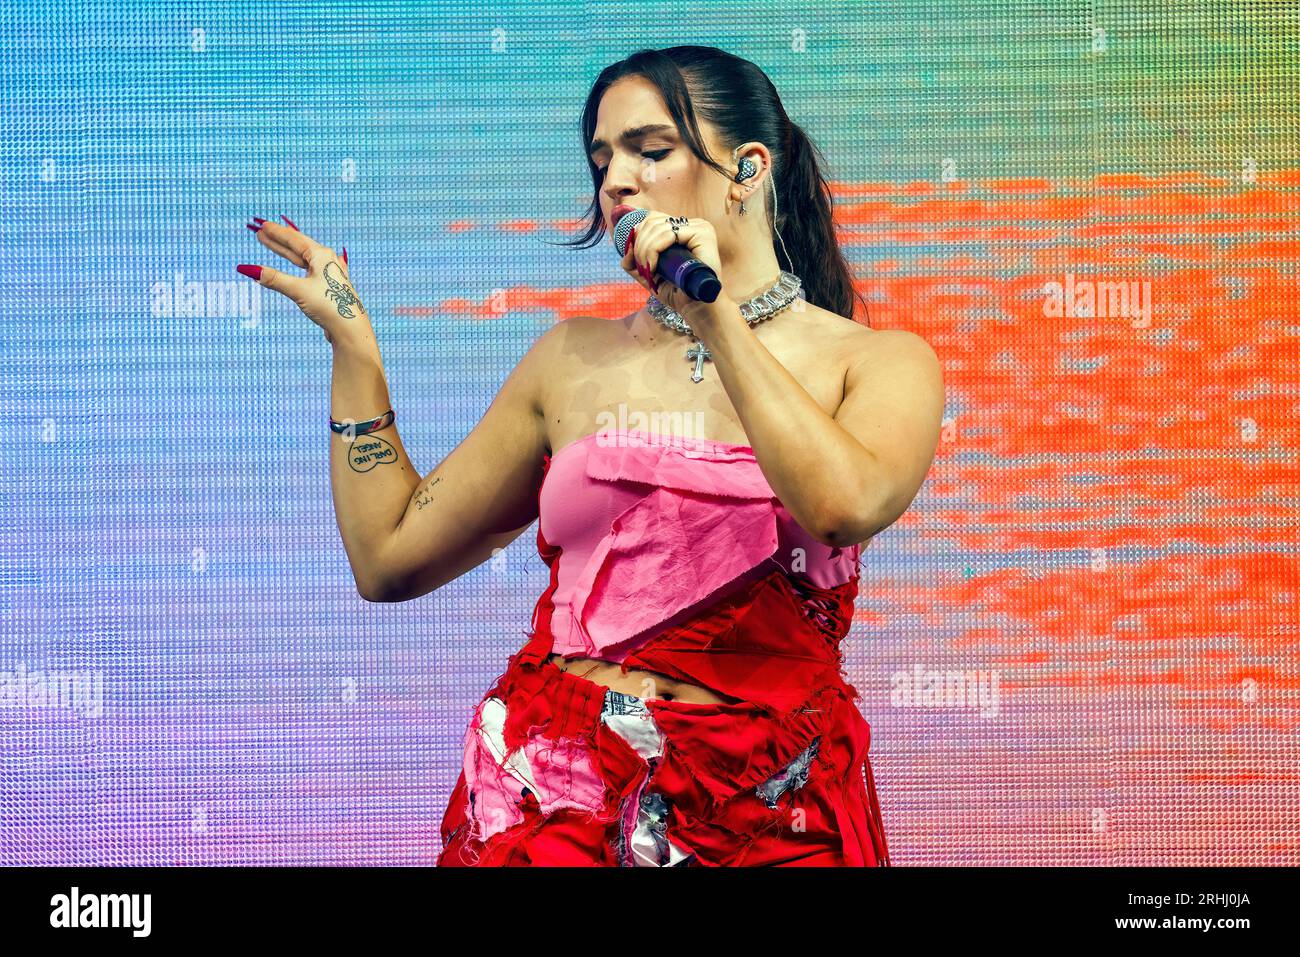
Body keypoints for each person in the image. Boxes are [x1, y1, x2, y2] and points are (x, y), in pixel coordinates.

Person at [237, 45, 944, 866]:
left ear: (747, 169)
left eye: (650, 151)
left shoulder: (878, 362)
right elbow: (389, 556)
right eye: (602, 158)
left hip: (767, 805)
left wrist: (714, 316)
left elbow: (843, 503)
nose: (614, 181)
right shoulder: (570, 359)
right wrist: (354, 349)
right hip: (553, 794)